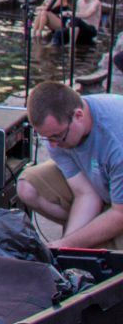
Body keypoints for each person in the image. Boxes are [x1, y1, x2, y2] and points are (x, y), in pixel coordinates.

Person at [18, 82, 123, 249]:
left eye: (57, 137)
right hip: (104, 189)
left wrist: (67, 244)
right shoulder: (59, 131)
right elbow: (85, 193)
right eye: (46, 138)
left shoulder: (116, 143)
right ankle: (96, 230)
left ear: (79, 116)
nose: (52, 146)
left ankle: (102, 234)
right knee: (27, 187)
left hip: (120, 209)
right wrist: (65, 247)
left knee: (110, 260)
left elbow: (120, 214)